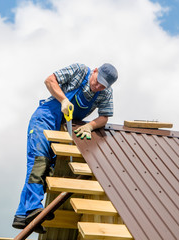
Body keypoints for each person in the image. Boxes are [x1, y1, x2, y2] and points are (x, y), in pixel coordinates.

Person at [12, 63, 118, 233]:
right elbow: (49, 80)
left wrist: (90, 126)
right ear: (95, 71)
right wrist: (63, 99)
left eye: (102, 86)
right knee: (39, 162)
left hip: (61, 127)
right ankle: (32, 209)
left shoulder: (105, 92)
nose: (98, 87)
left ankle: (22, 215)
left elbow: (104, 116)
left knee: (48, 169)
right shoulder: (80, 71)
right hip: (44, 119)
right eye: (97, 81)